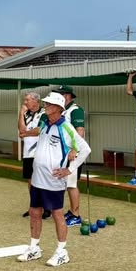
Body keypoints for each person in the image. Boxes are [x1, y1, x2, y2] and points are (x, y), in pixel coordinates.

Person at [16, 92, 89, 267]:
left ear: (57, 108)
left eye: (48, 104)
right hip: (37, 178)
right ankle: (34, 248)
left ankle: (62, 252)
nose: (45, 106)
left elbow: (85, 149)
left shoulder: (66, 127)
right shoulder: (44, 122)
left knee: (57, 214)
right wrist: (25, 133)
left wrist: (69, 169)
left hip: (54, 181)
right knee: (34, 212)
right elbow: (34, 131)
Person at [58, 85, 87, 225]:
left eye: (60, 94)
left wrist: (75, 150)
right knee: (67, 183)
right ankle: (71, 211)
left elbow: (80, 131)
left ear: (67, 96)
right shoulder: (62, 110)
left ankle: (76, 215)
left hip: (73, 154)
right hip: (64, 153)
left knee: (71, 184)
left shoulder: (75, 110)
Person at [20, 92, 49, 219]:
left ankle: (46, 207)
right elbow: (21, 129)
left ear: (36, 101)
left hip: (40, 152)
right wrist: (21, 114)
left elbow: (38, 130)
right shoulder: (26, 114)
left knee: (42, 180)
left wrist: (25, 134)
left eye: (27, 100)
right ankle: (34, 206)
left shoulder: (44, 113)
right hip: (27, 153)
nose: (25, 102)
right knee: (30, 181)